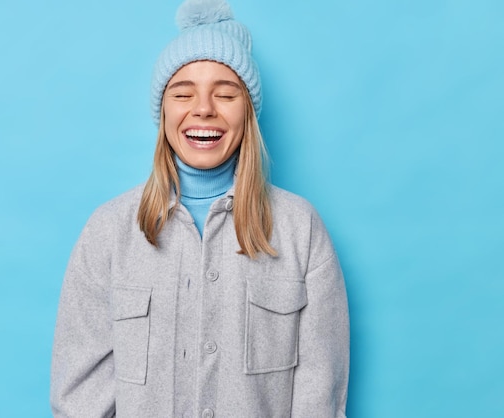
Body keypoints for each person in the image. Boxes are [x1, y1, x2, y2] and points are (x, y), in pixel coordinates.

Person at [50, 0, 349, 416]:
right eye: (183, 92)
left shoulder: (302, 230)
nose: (203, 108)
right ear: (164, 111)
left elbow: (319, 395)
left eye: (225, 94)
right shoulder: (107, 231)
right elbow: (79, 397)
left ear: (248, 112)